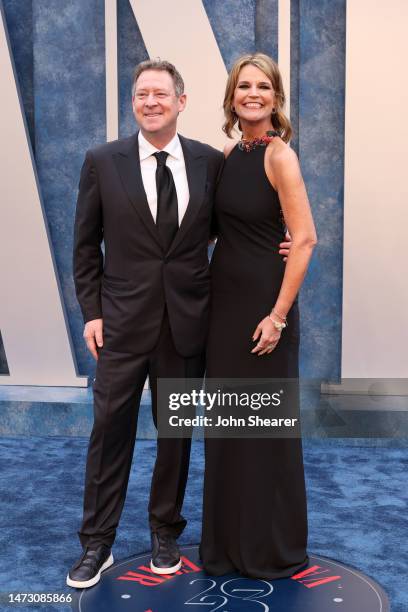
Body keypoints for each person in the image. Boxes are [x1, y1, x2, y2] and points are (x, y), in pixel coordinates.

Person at [67, 59, 227, 588]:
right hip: (119, 324)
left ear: (181, 102)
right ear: (133, 103)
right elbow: (85, 246)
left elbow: (228, 231)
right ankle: (97, 544)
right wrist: (92, 311)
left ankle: (165, 531)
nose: (150, 102)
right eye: (141, 95)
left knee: (176, 435)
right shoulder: (102, 161)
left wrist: (279, 245)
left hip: (186, 323)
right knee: (110, 431)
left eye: (160, 93)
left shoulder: (208, 162)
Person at [200, 53, 317, 579]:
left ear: (276, 97)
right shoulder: (228, 153)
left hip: (263, 311)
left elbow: (306, 238)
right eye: (244, 85)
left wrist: (278, 316)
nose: (253, 93)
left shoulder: (279, 156)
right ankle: (226, 547)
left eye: (263, 86)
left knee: (263, 429)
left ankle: (268, 549)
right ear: (231, 96)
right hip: (223, 310)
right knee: (227, 426)